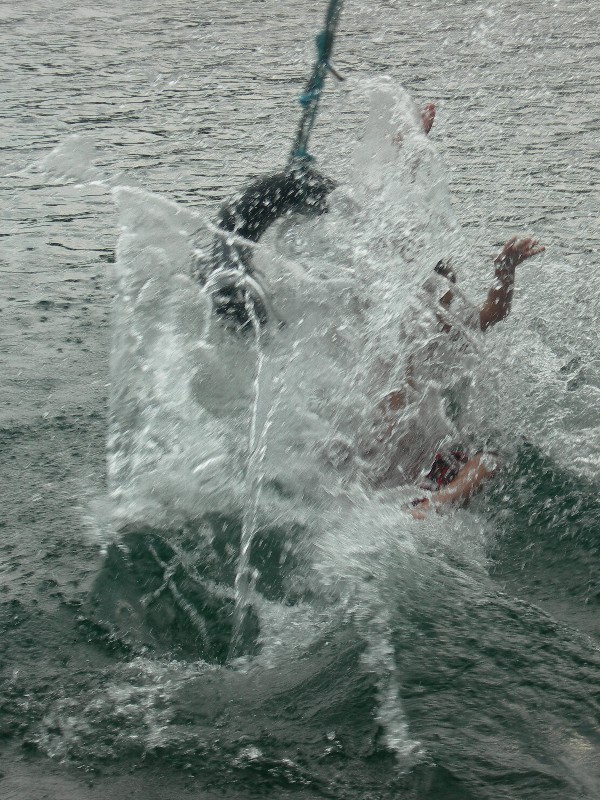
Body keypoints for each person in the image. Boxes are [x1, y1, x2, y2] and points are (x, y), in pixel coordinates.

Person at [365, 235, 544, 516]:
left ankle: (431, 505)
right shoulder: (390, 332)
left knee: (488, 462)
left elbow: (493, 313)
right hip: (385, 456)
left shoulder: (443, 328)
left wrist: (505, 272)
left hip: (418, 461)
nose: (452, 308)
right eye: (448, 297)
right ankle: (427, 505)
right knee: (485, 461)